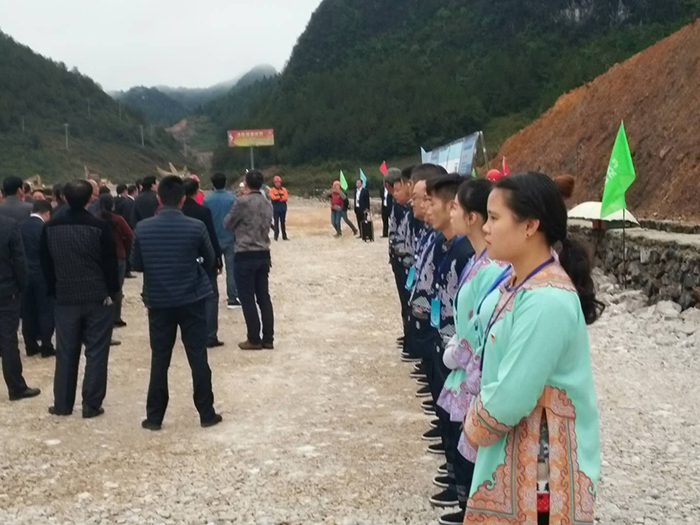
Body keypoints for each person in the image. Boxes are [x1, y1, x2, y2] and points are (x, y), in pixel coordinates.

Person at [462, 172, 602, 524]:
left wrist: (471, 424)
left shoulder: (546, 300)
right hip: (520, 446)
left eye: (494, 218)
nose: (486, 228)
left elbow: (513, 395)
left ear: (530, 226)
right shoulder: (519, 283)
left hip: (541, 464)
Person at [130, 175, 222, 430]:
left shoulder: (143, 228)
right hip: (192, 298)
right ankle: (206, 413)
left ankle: (154, 417)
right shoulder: (196, 227)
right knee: (197, 356)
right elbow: (210, 258)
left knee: (160, 358)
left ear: (159, 199)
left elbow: (136, 264)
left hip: (158, 300)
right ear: (183, 199)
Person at [41, 179, 120, 418]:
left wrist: (54, 291)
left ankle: (63, 404)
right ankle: (91, 404)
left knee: (66, 351)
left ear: (64, 198)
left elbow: (46, 264)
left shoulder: (50, 227)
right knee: (96, 351)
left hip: (65, 296)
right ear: (90, 199)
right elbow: (110, 264)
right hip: (97, 296)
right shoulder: (99, 227)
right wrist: (112, 292)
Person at [224, 170, 274, 350]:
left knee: (247, 298)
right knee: (263, 297)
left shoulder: (241, 202)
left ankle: (253, 338)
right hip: (263, 252)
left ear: (246, 183)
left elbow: (227, 223)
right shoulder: (268, 203)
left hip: (245, 253)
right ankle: (268, 338)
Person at [0, 213, 41, 401]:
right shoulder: (8, 224)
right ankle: (16, 386)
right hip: (6, 290)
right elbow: (19, 259)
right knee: (8, 340)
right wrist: (21, 285)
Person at [183, 177, 224, 349]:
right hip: (204, 258)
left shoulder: (179, 212)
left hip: (183, 259)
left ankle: (190, 333)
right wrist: (217, 258)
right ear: (196, 191)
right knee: (211, 296)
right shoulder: (203, 211)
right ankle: (210, 335)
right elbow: (211, 236)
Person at [20, 200, 56, 358]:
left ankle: (30, 346)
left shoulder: (20, 226)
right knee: (45, 310)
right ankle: (46, 346)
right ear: (47, 213)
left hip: (24, 275)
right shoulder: (45, 228)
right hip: (42, 274)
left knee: (27, 311)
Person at [97, 194, 134, 329]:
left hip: (101, 256)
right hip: (119, 255)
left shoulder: (96, 219)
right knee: (117, 288)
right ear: (112, 205)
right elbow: (130, 235)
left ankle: (103, 316)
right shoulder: (118, 219)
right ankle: (116, 317)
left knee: (102, 287)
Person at [204, 173, 240, 308]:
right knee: (231, 269)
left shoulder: (207, 200)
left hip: (212, 239)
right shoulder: (232, 198)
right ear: (225, 182)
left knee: (212, 270)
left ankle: (211, 297)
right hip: (230, 237)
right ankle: (232, 297)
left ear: (212, 183)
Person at [269, 176, 289, 241]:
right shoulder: (271, 190)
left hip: (283, 208)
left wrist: (277, 197)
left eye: (279, 182)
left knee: (283, 222)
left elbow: (286, 198)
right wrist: (280, 197)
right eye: (276, 182)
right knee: (276, 222)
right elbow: (272, 197)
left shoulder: (284, 189)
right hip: (275, 208)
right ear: (274, 183)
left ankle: (284, 236)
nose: (278, 184)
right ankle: (276, 236)